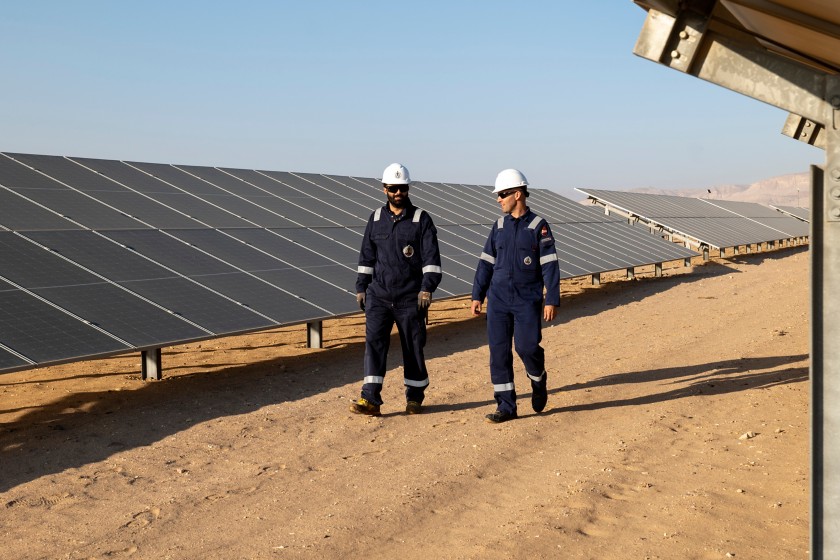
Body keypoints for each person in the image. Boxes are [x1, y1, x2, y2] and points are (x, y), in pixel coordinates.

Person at [350, 163, 443, 416]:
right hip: (379, 297)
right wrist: (361, 287)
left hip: (409, 298)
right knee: (374, 344)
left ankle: (414, 397)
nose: (398, 193)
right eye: (393, 188)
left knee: (412, 347)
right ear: (384, 189)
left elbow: (432, 261)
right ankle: (370, 398)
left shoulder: (421, 219)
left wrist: (427, 289)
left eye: (402, 188)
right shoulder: (376, 219)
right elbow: (366, 257)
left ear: (408, 188)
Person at [470, 169, 560, 423]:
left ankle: (538, 378)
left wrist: (551, 298)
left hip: (526, 299)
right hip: (498, 299)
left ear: (517, 194)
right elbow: (486, 262)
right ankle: (506, 406)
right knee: (499, 353)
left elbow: (550, 264)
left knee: (526, 346)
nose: (498, 199)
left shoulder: (538, 226)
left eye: (502, 194)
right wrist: (478, 294)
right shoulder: (498, 227)